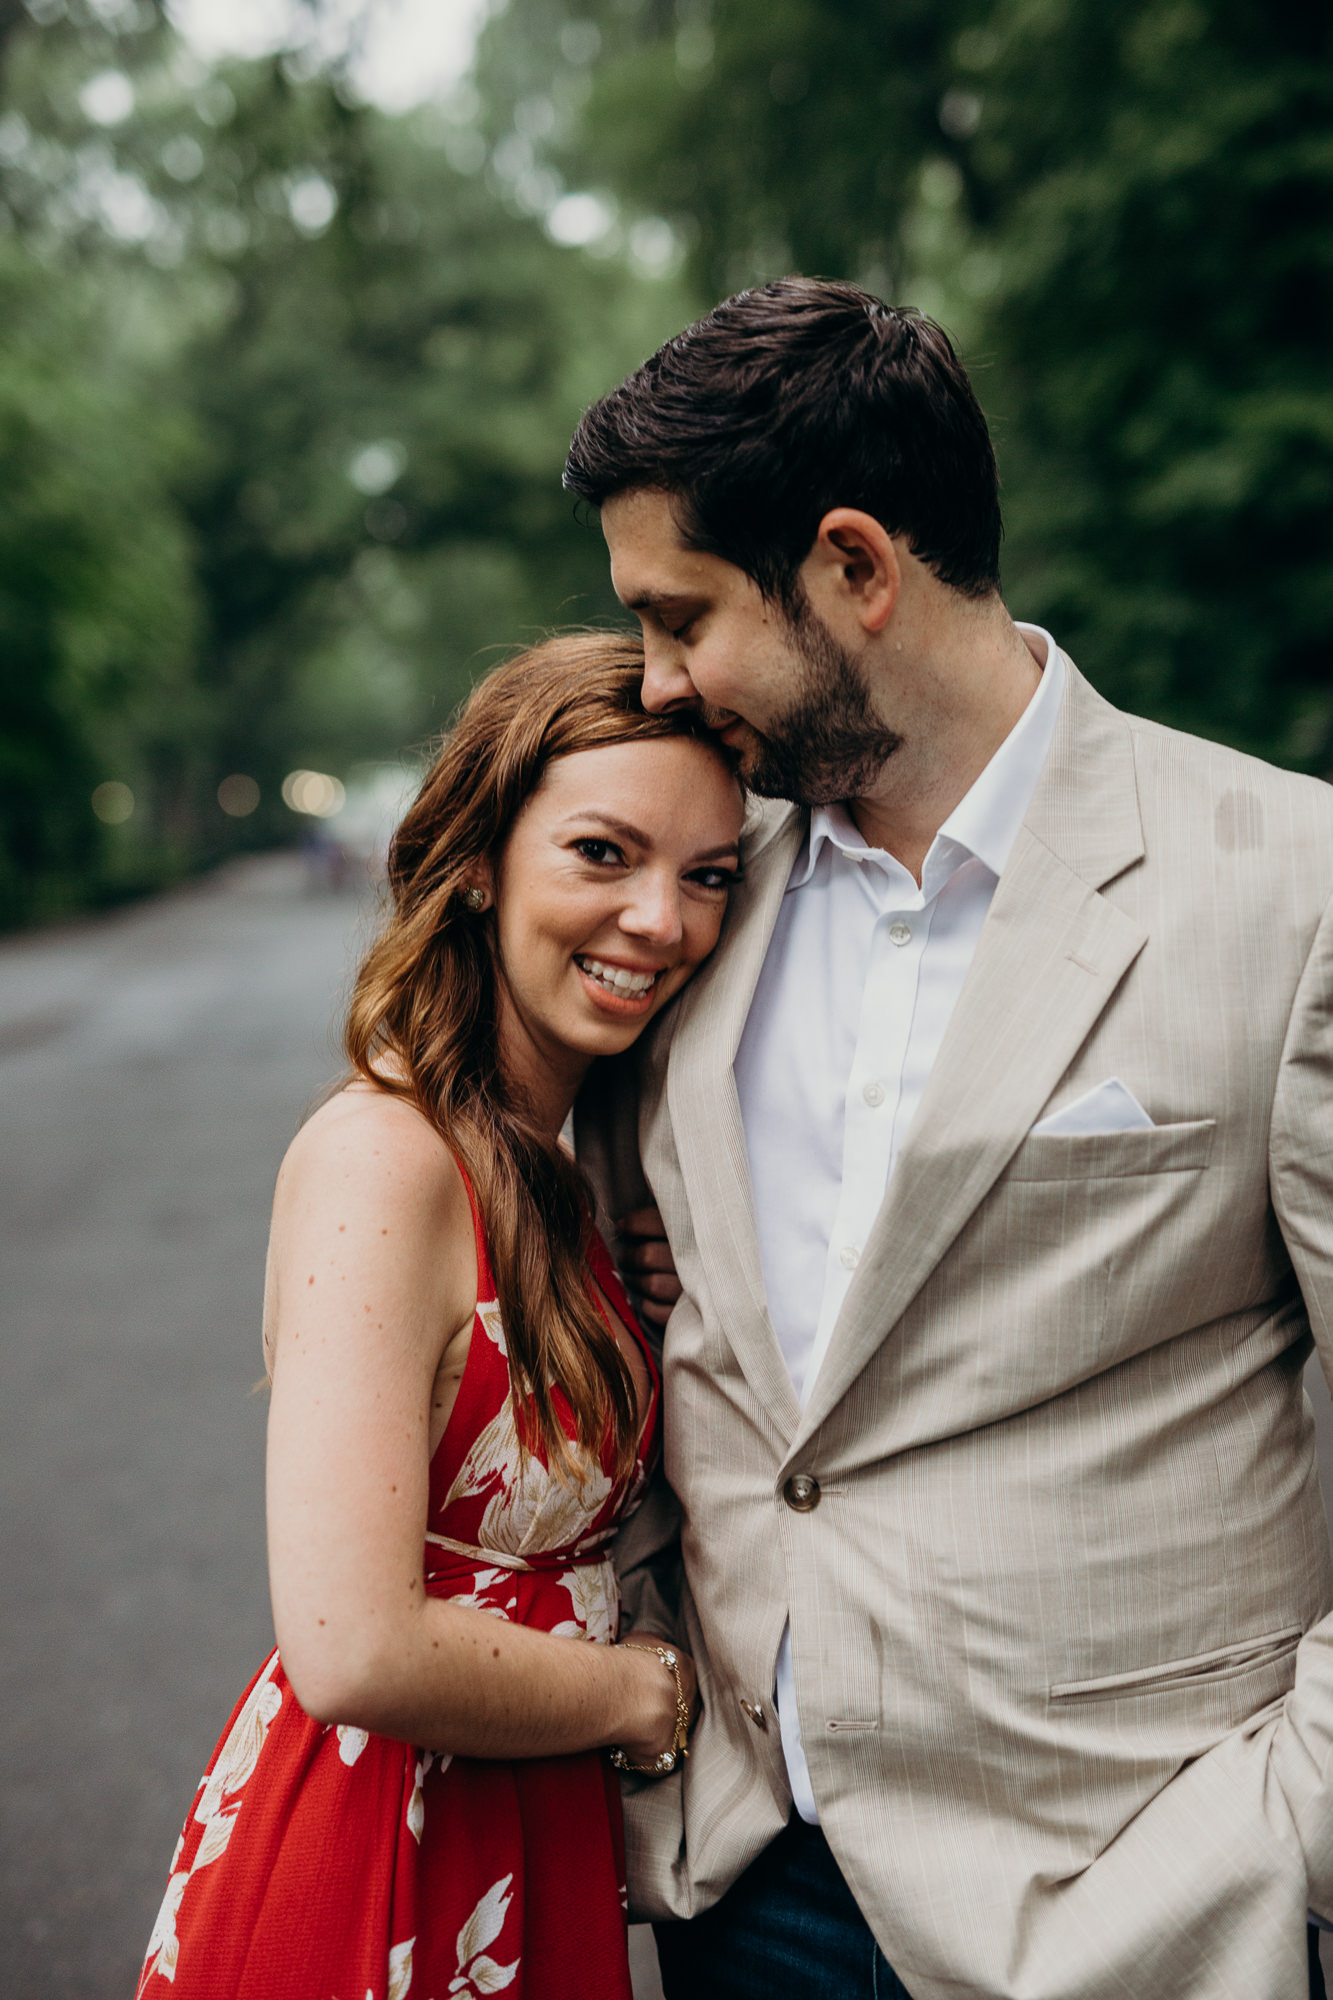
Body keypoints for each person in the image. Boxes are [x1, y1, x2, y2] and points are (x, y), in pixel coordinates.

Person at [563, 279, 1333, 2000]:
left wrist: (1286, 1833)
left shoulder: (1293, 890)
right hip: (744, 1880)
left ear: (853, 566)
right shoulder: (688, 915)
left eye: (680, 616)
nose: (655, 681)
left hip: (1139, 1899)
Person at [134, 633, 743, 2000]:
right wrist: (640, 1695)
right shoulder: (387, 1157)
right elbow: (353, 1646)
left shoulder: (571, 1163)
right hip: (382, 1848)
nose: (662, 919)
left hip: (525, 1836)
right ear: (475, 861)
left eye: (707, 877)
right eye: (603, 854)